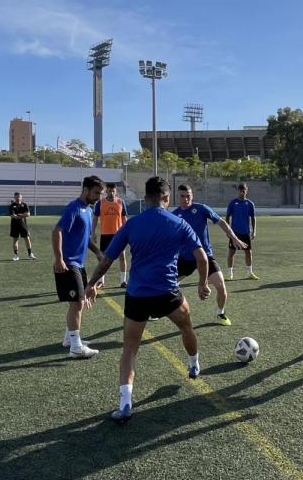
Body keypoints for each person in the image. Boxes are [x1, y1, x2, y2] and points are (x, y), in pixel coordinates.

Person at [84, 177, 211, 423]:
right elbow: (203, 258)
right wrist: (203, 284)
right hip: (168, 294)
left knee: (130, 349)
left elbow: (107, 260)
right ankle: (194, 365)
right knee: (186, 326)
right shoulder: (179, 223)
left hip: (138, 296)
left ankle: (125, 404)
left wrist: (91, 284)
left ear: (146, 198)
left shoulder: (132, 224)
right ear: (167, 198)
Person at [173, 184, 247, 326]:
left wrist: (233, 237)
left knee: (221, 287)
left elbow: (221, 222)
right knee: (164, 285)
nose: (186, 199)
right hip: (186, 258)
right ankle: (156, 310)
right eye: (183, 196)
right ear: (178, 197)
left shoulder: (201, 209)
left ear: (192, 195)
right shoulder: (175, 215)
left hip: (205, 256)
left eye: (188, 195)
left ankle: (220, 313)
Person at [51, 175, 104, 358]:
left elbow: (85, 238)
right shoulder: (74, 208)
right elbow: (57, 231)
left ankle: (69, 338)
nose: (98, 197)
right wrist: (59, 259)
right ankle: (75, 347)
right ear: (86, 190)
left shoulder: (88, 210)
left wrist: (97, 252)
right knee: (78, 303)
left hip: (78, 264)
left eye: (100, 194)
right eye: (96, 193)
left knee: (78, 304)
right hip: (68, 263)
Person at [92, 183, 129, 288]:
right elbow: (95, 218)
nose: (111, 193)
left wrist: (127, 232)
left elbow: (124, 218)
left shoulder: (121, 202)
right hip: (105, 234)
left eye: (113, 191)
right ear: (106, 191)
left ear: (116, 191)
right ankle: (101, 281)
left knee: (122, 257)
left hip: (118, 235)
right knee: (102, 258)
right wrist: (93, 232)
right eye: (109, 191)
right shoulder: (100, 203)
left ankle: (123, 281)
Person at [225, 183, 258, 280]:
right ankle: (230, 274)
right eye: (240, 190)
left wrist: (254, 231)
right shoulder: (232, 203)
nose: (242, 191)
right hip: (234, 233)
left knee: (248, 252)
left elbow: (253, 218)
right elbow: (227, 217)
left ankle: (249, 272)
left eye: (244, 190)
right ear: (238, 191)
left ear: (246, 190)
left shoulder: (250, 204)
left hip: (245, 232)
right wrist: (228, 231)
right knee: (231, 253)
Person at [9, 192, 35, 261]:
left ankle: (30, 254)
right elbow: (12, 215)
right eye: (16, 197)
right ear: (14, 197)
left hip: (23, 225)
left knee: (27, 238)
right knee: (15, 240)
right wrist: (23, 215)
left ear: (21, 197)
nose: (18, 198)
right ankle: (16, 255)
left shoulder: (25, 205)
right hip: (14, 225)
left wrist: (18, 215)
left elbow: (28, 214)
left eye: (19, 197)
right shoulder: (12, 205)